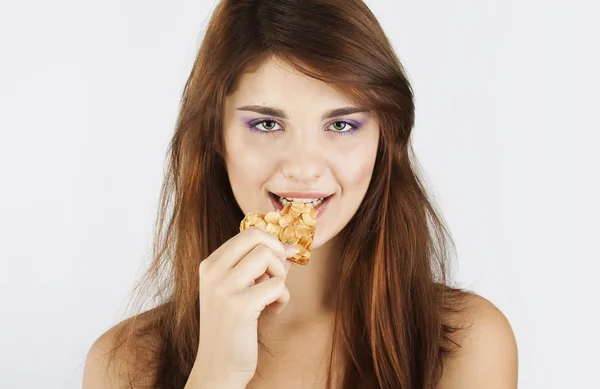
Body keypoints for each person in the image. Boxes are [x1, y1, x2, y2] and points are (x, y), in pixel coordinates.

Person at [82, 0, 518, 388]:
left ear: (384, 138)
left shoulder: (465, 344)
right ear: (217, 136)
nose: (305, 167)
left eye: (341, 125)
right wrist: (216, 375)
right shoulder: (124, 364)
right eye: (267, 125)